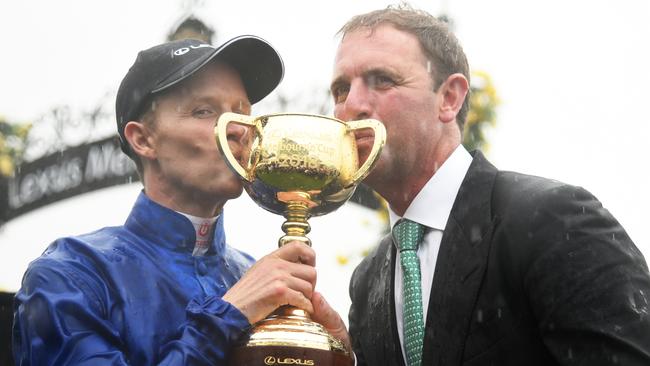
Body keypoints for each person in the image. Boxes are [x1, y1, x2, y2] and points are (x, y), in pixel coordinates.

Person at [328, 5, 650, 365]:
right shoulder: (367, 280)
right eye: (341, 89)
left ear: (449, 98)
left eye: (382, 79)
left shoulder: (554, 218)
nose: (350, 105)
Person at [12, 35, 345, 365]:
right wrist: (225, 317)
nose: (238, 129)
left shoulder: (257, 279)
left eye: (243, 113)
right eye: (204, 111)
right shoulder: (70, 274)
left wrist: (342, 354)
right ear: (143, 139)